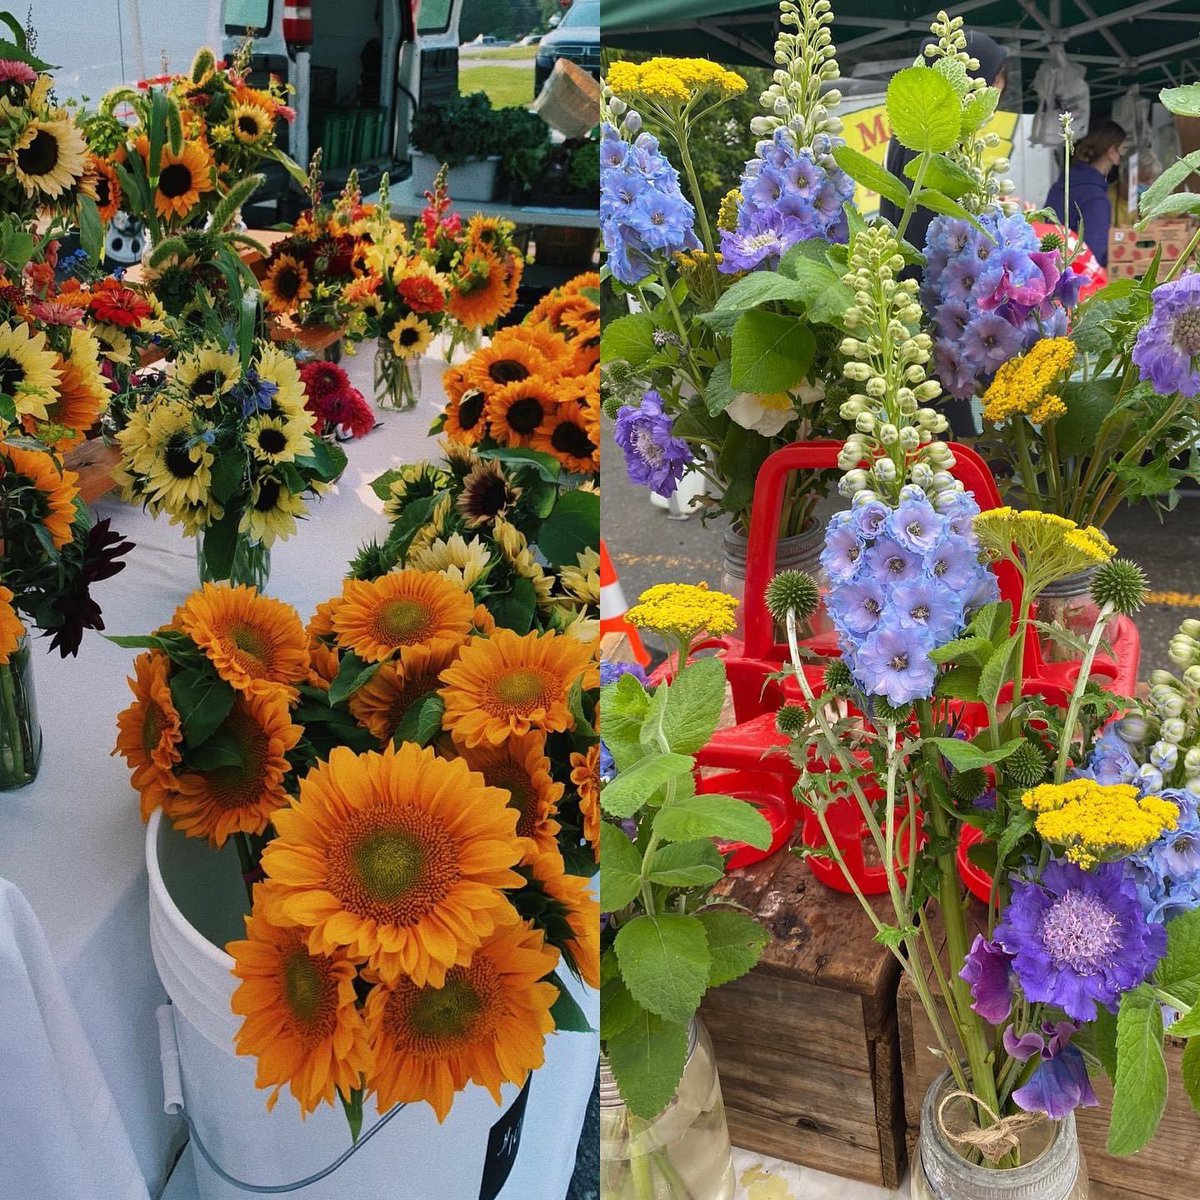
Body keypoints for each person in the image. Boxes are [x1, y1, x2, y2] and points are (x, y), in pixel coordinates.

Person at [878, 32, 1010, 258]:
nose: (999, 89)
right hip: (930, 279)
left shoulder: (919, 132)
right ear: (974, 77)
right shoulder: (930, 143)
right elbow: (926, 230)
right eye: (996, 79)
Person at [1044, 120, 1127, 267]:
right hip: (1080, 282)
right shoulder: (1096, 197)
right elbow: (1095, 255)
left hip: (1052, 274)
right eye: (1123, 149)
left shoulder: (1058, 187)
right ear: (1112, 151)